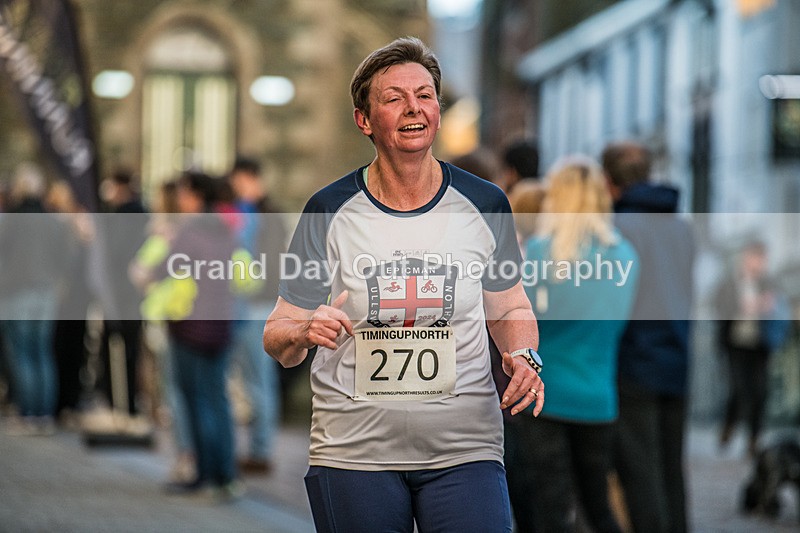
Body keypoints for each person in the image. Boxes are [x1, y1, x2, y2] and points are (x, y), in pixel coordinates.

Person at [263, 37, 543, 532]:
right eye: (394, 98)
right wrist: (305, 327)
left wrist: (523, 356)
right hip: (354, 452)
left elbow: (509, 305)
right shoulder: (327, 211)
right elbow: (277, 332)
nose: (414, 108)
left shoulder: (486, 203)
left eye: (425, 95)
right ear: (364, 120)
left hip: (465, 447)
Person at [511, 156, 639, 533]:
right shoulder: (625, 257)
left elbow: (523, 323)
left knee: (552, 508)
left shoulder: (539, 253)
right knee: (598, 505)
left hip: (544, 398)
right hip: (599, 397)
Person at [602, 141, 695, 533]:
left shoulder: (617, 229)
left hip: (634, 361)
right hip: (677, 357)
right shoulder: (680, 227)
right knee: (671, 470)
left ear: (609, 182)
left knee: (641, 472)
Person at [158, 171, 241, 499]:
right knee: (217, 398)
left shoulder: (189, 231)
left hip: (189, 325)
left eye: (182, 192)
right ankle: (225, 475)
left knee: (196, 399)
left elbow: (164, 269)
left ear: (193, 194)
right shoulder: (226, 230)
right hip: (221, 324)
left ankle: (204, 474)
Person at [0, 163, 73, 435]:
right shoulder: (51, 221)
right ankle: (44, 415)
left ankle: (28, 413)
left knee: (22, 354)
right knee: (42, 352)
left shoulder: (11, 221)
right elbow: (65, 256)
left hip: (16, 291)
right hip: (46, 291)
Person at [227, 156, 288, 474]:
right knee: (250, 381)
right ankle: (255, 449)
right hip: (243, 304)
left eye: (238, 181)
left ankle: (261, 451)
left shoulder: (267, 215)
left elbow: (272, 263)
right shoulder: (249, 213)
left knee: (258, 381)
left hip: (258, 305)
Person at [715, 240, 789, 456]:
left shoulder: (769, 283)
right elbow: (719, 306)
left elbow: (779, 310)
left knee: (759, 390)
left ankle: (753, 439)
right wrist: (743, 306)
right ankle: (729, 424)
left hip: (759, 345)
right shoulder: (730, 282)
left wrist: (768, 307)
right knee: (738, 388)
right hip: (735, 344)